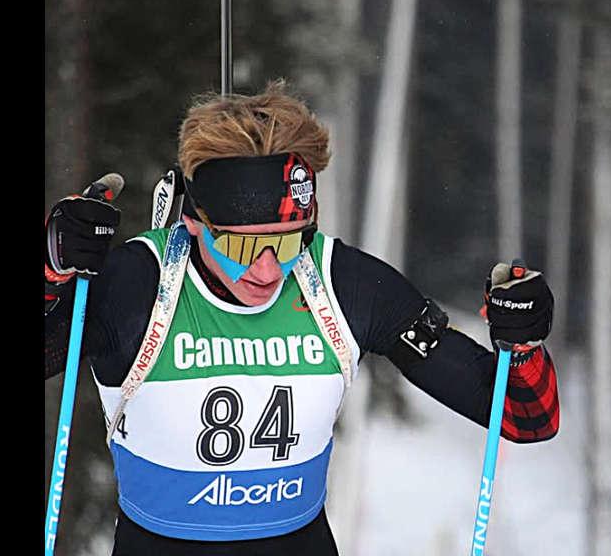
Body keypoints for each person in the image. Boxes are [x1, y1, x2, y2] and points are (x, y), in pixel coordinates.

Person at [44, 80, 560, 556]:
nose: (268, 268)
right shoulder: (138, 285)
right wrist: (54, 268)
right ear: (193, 222)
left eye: (287, 240)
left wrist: (524, 342)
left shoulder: (342, 284)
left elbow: (522, 416)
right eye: (243, 245)